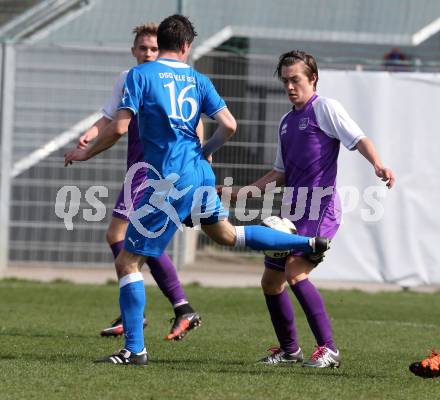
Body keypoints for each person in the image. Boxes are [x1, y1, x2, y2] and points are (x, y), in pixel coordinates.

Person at [64, 16, 329, 366]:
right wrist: (206, 152)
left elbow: (119, 128)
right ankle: (306, 243)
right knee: (227, 234)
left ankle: (134, 349)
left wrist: (85, 151)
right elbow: (229, 125)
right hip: (200, 174)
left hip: (167, 182)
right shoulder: (198, 79)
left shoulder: (139, 75)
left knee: (128, 261)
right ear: (187, 46)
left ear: (162, 42)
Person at [226, 50, 395, 368]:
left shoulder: (326, 108)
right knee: (270, 282)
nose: (290, 86)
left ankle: (328, 349)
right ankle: (290, 351)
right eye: (286, 81)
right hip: (292, 212)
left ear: (312, 79)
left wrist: (378, 164)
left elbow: (358, 138)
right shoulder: (287, 122)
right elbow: (280, 172)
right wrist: (241, 193)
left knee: (294, 272)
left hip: (321, 209)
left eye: (296, 80)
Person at [77, 23, 202, 341]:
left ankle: (152, 311)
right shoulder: (131, 78)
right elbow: (111, 116)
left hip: (150, 172)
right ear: (133, 50)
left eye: (153, 48)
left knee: (121, 236)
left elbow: (195, 123)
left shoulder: (162, 79)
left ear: (163, 49)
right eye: (142, 48)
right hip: (145, 169)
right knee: (140, 240)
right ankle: (174, 308)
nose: (148, 53)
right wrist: (91, 133)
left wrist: (89, 152)